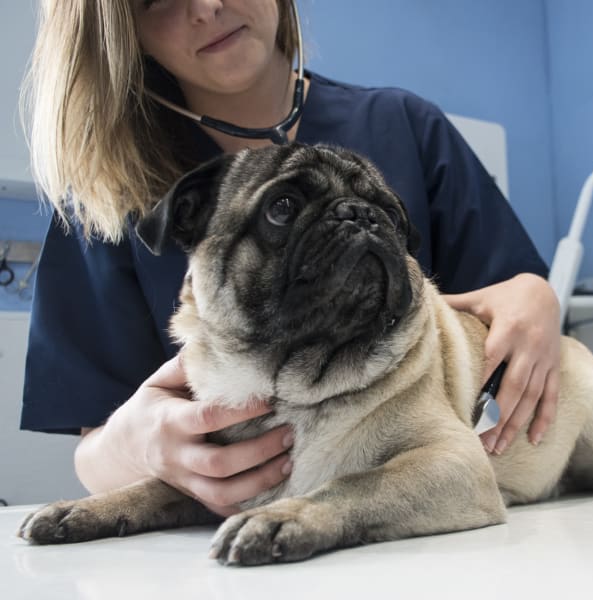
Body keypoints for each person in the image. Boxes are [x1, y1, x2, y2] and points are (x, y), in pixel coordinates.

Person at [20, 0, 561, 517]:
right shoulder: (106, 195)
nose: (205, 8)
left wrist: (535, 296)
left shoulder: (405, 126)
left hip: (417, 524)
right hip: (209, 547)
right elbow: (94, 451)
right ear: (122, 33)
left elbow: (502, 323)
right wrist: (133, 447)